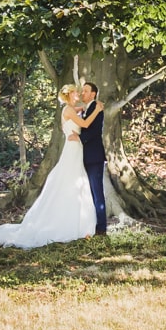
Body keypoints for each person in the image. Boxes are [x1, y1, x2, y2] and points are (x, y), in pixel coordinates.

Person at [0, 85, 97, 249]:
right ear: (69, 94)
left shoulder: (71, 108)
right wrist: (97, 110)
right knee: (70, 180)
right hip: (72, 150)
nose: (78, 94)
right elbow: (85, 124)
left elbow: (80, 110)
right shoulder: (68, 110)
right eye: (75, 92)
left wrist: (87, 106)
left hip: (76, 149)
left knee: (76, 180)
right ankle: (67, 222)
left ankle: (79, 221)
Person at [74, 80, 108, 235]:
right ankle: (90, 224)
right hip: (85, 156)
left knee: (97, 192)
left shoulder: (96, 107)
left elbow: (95, 131)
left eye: (85, 91)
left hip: (94, 157)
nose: (83, 93)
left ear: (93, 94)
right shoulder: (88, 108)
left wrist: (79, 138)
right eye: (82, 91)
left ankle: (101, 228)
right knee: (88, 192)